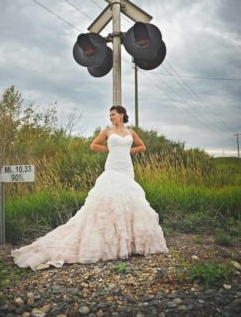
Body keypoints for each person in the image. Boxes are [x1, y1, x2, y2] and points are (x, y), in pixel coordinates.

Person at [11, 106, 168, 270]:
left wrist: (128, 151)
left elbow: (142, 147)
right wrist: (109, 148)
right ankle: (109, 244)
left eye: (113, 115)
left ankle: (129, 244)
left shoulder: (131, 132)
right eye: (110, 115)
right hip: (113, 166)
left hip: (127, 168)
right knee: (108, 200)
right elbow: (93, 145)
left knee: (129, 200)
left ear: (121, 115)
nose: (111, 117)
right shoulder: (107, 131)